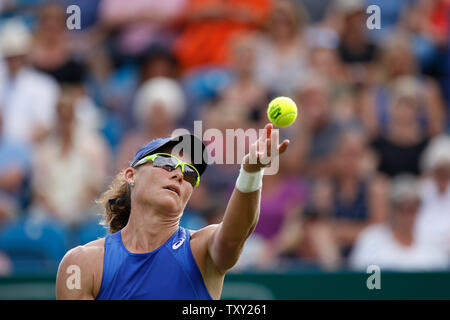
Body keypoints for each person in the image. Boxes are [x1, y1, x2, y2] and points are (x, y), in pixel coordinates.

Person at [56, 123, 289, 299]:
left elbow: (234, 236)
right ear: (131, 175)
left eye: (189, 174)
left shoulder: (201, 248)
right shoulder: (81, 263)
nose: (179, 174)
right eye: (166, 164)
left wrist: (251, 172)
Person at [349, 175, 449, 271]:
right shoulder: (370, 240)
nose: (409, 216)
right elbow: (361, 281)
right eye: (402, 208)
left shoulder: (433, 243)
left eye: (413, 208)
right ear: (391, 209)